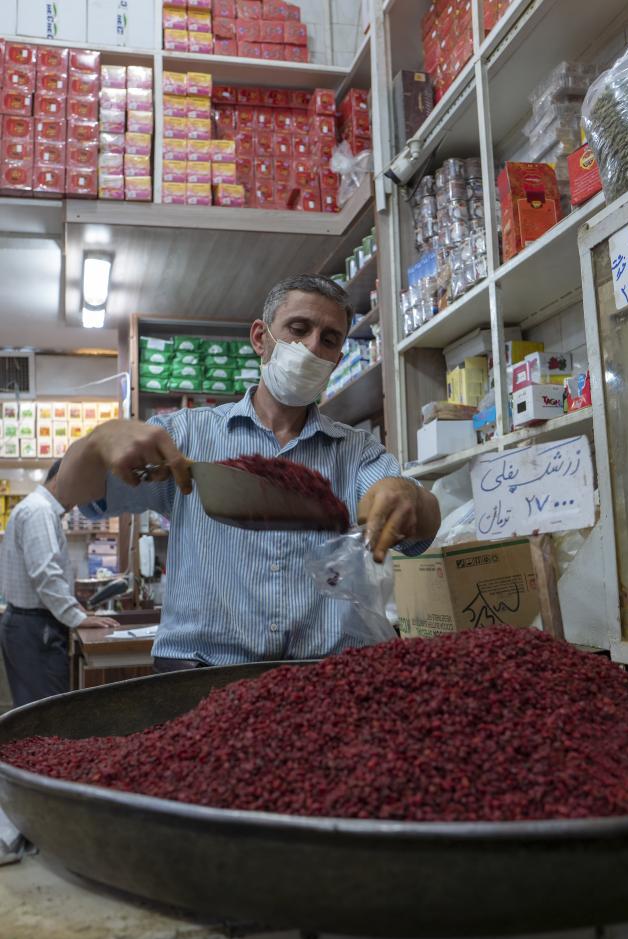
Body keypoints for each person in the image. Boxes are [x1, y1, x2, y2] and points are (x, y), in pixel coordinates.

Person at [57, 274, 440, 672]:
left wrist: (409, 496)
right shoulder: (185, 436)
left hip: (325, 679)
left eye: (329, 339)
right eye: (298, 329)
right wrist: (96, 442)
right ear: (260, 338)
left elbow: (422, 528)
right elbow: (74, 492)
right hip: (199, 675)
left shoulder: (356, 451)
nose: (311, 346)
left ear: (337, 359)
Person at [0, 460, 117, 707]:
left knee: (34, 711)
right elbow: (46, 574)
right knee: (46, 714)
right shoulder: (40, 511)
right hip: (34, 627)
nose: (81, 501)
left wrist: (73, 607)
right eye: (81, 489)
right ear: (60, 481)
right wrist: (75, 616)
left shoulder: (38, 508)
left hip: (28, 625)